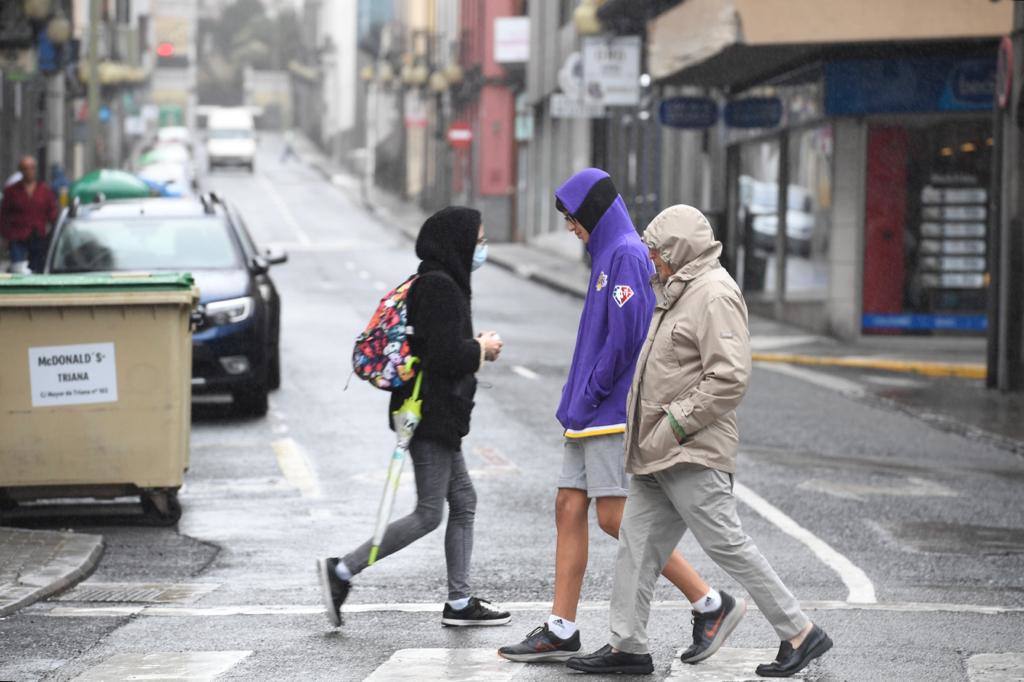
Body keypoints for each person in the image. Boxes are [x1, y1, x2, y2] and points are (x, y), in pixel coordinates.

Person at [566, 205, 833, 677]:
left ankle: (800, 632)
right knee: (636, 543)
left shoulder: (713, 294)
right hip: (656, 449)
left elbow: (729, 377)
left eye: (655, 251)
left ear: (677, 250)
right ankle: (627, 646)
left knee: (727, 543)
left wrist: (673, 425)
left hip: (690, 449)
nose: (650, 259)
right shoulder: (675, 289)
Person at [499, 171, 739, 666]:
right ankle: (561, 628)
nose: (569, 227)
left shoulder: (627, 252)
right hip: (588, 412)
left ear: (592, 212)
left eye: (572, 217)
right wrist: (577, 399)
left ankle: (709, 602)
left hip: (609, 411)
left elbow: (628, 339)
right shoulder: (608, 255)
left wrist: (588, 392)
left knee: (613, 518)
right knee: (568, 506)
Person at [317, 206, 512, 629]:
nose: (481, 248)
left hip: (436, 415)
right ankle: (342, 570)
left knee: (463, 502)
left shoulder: (436, 282)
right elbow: (444, 356)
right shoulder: (441, 288)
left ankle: (459, 602)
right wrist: (483, 347)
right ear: (458, 242)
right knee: (428, 512)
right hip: (431, 416)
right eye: (477, 240)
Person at [0, 156, 58, 273]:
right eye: (25, 168)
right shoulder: (11, 191)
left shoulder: (45, 191)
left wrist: (51, 233)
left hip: (38, 237)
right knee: (18, 270)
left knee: (38, 270)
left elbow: (53, 214)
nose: (29, 171)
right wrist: (6, 237)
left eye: (31, 168)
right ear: (21, 171)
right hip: (17, 238)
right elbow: (4, 215)